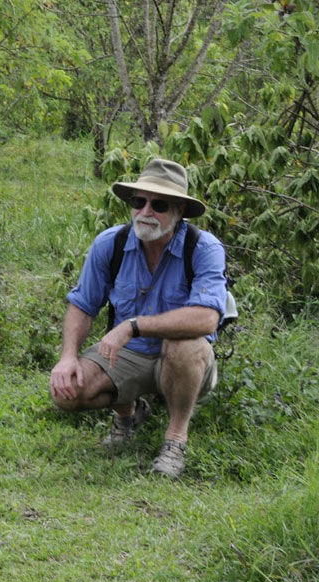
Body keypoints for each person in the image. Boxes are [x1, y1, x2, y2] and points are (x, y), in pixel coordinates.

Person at [49, 158, 227, 478]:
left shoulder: (203, 247)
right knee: (68, 392)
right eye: (138, 201)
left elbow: (207, 319)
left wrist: (134, 326)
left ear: (179, 212)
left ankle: (175, 440)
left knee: (185, 346)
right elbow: (82, 304)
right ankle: (128, 415)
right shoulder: (111, 243)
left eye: (158, 204)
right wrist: (67, 357)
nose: (145, 211)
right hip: (130, 357)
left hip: (182, 360)